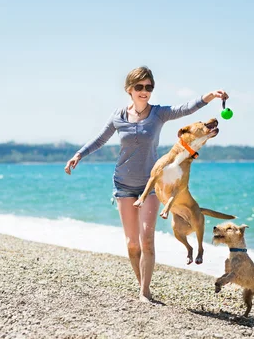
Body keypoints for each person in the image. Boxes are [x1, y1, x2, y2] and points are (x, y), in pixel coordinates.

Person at [64, 66, 228, 303]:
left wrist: (209, 96)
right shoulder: (118, 116)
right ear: (129, 89)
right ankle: (141, 283)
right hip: (122, 184)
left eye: (148, 87)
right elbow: (100, 139)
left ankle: (145, 292)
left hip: (150, 186)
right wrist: (79, 154)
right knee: (132, 245)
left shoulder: (158, 114)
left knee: (147, 240)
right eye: (139, 87)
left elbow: (184, 109)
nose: (144, 91)